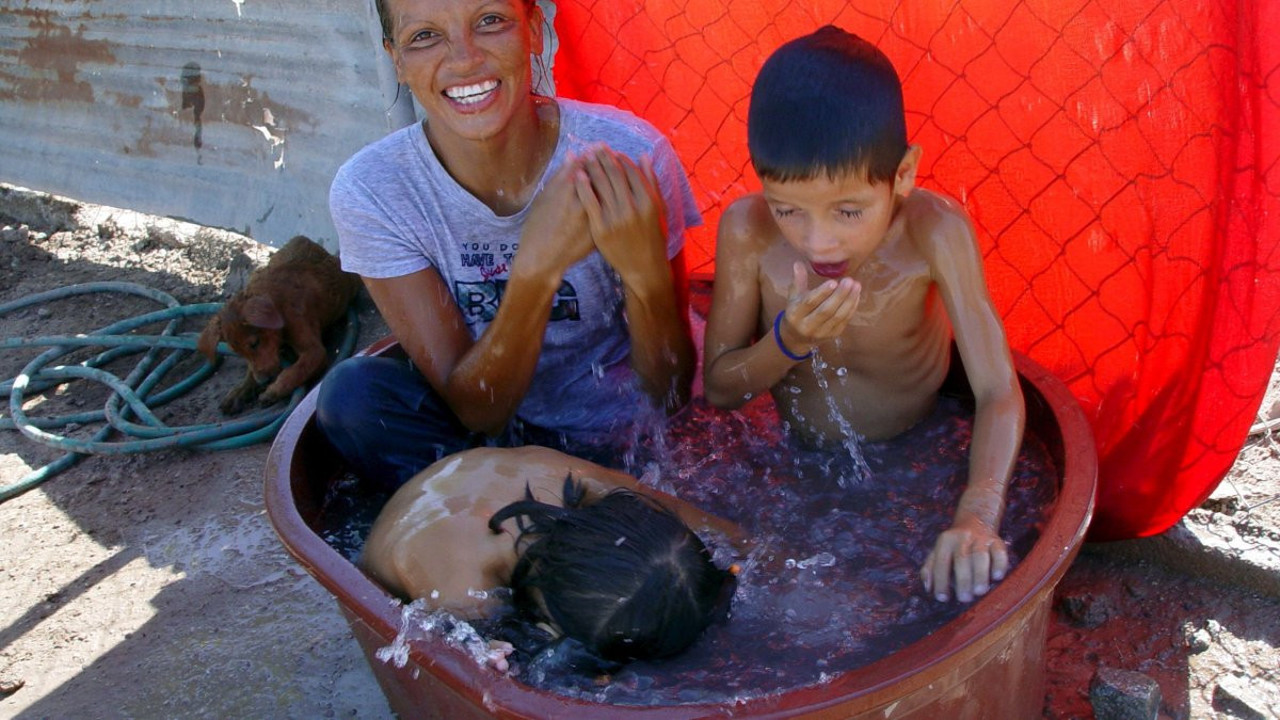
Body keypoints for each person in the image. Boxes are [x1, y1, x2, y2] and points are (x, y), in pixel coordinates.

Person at [316, 0, 700, 490]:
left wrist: (645, 276)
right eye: (425, 37)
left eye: (490, 22)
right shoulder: (374, 190)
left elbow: (670, 395)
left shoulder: (627, 155)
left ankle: (527, 538)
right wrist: (537, 270)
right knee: (353, 397)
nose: (464, 59)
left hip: (619, 446)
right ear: (397, 60)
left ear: (534, 32)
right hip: (489, 447)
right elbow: (477, 412)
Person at [702, 26, 1026, 605]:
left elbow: (998, 389)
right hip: (794, 460)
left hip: (918, 456)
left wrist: (978, 513)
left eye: (848, 211)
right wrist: (788, 340)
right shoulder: (747, 231)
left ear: (903, 175)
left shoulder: (933, 232)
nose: (817, 241)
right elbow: (722, 390)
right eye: (788, 210)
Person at [361, 446, 740, 665]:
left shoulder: (564, 481)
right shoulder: (466, 596)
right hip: (398, 542)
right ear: (553, 619)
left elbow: (720, 532)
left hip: (445, 480)